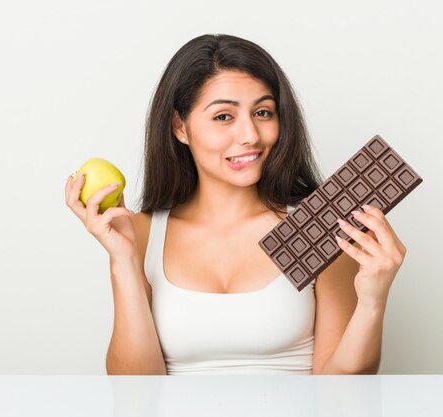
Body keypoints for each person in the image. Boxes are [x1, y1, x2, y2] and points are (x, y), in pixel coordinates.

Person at [64, 34, 407, 375]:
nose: (251, 135)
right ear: (180, 127)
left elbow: (340, 393)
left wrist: (373, 301)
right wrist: (123, 261)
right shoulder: (140, 233)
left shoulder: (318, 227)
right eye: (224, 117)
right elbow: (135, 392)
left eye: (262, 112)